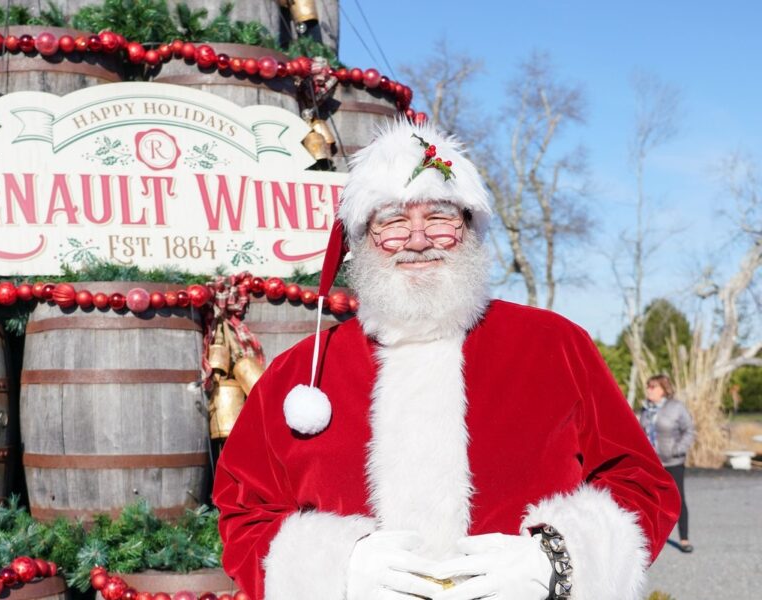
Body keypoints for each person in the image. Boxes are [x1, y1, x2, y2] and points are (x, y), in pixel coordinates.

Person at [212, 119, 680, 600]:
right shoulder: (300, 370)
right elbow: (245, 510)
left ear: (470, 228)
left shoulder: (555, 345)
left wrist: (558, 561)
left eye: (440, 218)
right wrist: (332, 570)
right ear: (361, 239)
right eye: (392, 222)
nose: (418, 240)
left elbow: (640, 483)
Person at [639, 373, 696, 553]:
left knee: (678, 500)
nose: (649, 390)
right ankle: (651, 540)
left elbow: (689, 431)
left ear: (663, 390)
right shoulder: (646, 409)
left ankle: (684, 539)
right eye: (648, 386)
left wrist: (677, 450)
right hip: (652, 464)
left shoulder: (676, 407)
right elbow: (641, 433)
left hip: (673, 462)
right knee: (651, 501)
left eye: (653, 387)